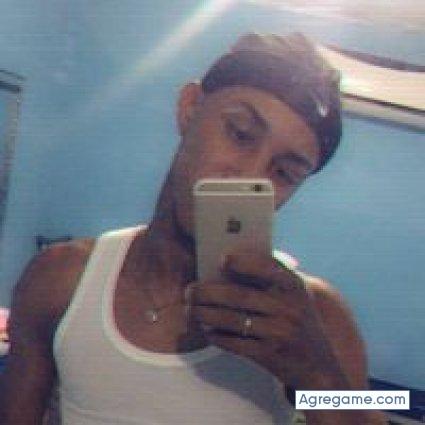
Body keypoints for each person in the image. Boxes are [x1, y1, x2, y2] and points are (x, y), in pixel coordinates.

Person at [0, 32, 386, 424]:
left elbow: (375, 412)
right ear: (190, 108)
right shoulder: (61, 278)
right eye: (239, 133)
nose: (249, 175)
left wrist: (317, 375)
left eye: (284, 172)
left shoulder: (315, 314)